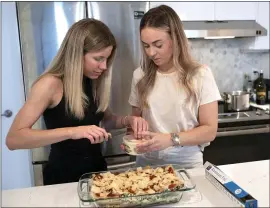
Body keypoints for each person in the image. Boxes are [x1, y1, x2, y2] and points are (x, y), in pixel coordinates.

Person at [6, 18, 148, 185]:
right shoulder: (49, 84)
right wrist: (73, 132)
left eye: (107, 59)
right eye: (98, 58)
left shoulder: (92, 80)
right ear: (76, 53)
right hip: (63, 179)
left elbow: (106, 120)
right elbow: (14, 139)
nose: (104, 67)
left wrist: (127, 120)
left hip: (98, 176)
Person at [128, 5, 221, 168]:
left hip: (187, 163)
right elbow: (135, 124)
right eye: (146, 45)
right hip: (146, 164)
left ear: (175, 39)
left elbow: (210, 131)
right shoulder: (139, 76)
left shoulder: (200, 75)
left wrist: (170, 139)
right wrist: (132, 140)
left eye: (158, 45)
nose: (151, 53)